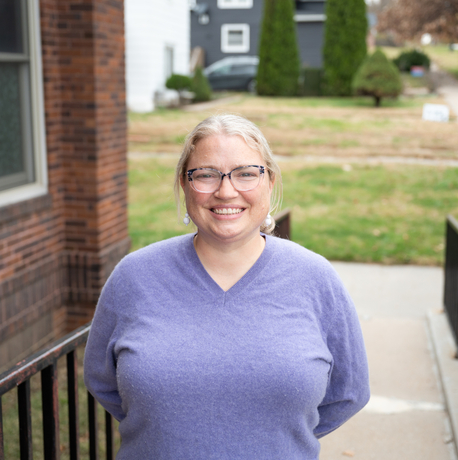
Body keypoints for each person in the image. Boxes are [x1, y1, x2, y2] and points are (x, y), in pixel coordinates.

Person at [84, 114, 370, 459]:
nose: (226, 191)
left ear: (270, 182)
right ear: (184, 184)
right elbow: (102, 381)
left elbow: (348, 392)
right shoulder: (134, 277)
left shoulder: (316, 279)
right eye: (205, 174)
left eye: (246, 173)